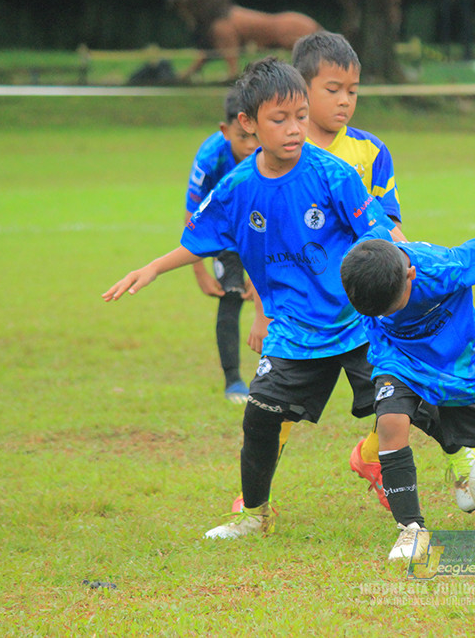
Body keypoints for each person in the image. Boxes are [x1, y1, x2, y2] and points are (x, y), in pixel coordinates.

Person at [103, 57, 405, 540]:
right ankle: (253, 514)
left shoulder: (333, 173)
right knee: (261, 416)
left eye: (301, 117)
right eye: (279, 119)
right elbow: (198, 237)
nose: (295, 129)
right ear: (248, 124)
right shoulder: (238, 188)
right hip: (293, 330)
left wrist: (411, 272)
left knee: (409, 405)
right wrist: (153, 268)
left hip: (356, 321)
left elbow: (379, 235)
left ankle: (471, 477)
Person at [290, 30, 475, 513]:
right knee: (277, 407)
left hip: (367, 306)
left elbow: (391, 226)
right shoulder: (285, 155)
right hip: (306, 310)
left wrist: (404, 278)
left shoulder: (372, 151)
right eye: (332, 89)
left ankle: (462, 469)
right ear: (301, 88)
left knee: (408, 389)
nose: (344, 100)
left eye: (352, 90)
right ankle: (252, 498)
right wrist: (260, 309)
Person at [340, 232, 475, 560]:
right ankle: (410, 528)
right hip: (400, 361)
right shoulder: (362, 266)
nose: (390, 316)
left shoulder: (448, 267)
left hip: (463, 365)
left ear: (411, 274)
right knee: (390, 422)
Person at [185, 88, 261, 404]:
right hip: (224, 233)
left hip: (264, 230)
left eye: (255, 136)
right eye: (242, 137)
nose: (250, 146)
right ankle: (233, 381)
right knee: (231, 294)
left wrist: (259, 276)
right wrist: (199, 271)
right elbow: (194, 215)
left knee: (274, 298)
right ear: (225, 130)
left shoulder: (270, 152)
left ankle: (272, 376)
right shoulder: (210, 157)